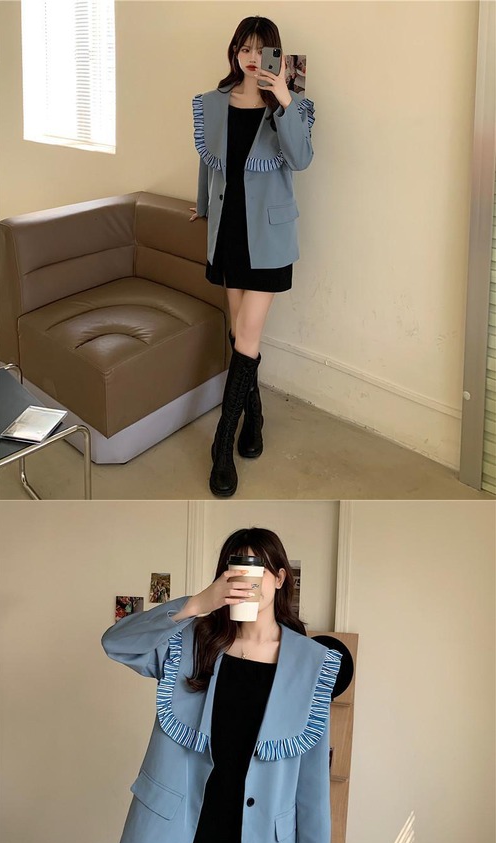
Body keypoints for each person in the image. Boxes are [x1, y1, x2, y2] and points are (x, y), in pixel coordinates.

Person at [102, 527, 340, 843]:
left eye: (257, 568)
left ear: (279, 578)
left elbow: (312, 775)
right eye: (235, 567)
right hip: (193, 836)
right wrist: (195, 604)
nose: (245, 579)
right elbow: (116, 643)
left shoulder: (311, 663)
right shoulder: (192, 640)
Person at [190, 16, 315, 497]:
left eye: (262, 50)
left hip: (269, 237)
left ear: (276, 56)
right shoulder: (212, 103)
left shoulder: (294, 105)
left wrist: (282, 97)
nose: (251, 57)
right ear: (234, 51)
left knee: (247, 333)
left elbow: (301, 160)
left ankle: (222, 443)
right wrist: (202, 209)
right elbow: (208, 166)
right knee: (241, 332)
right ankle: (255, 418)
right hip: (227, 233)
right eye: (245, 47)